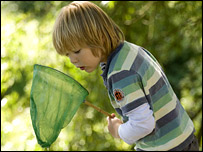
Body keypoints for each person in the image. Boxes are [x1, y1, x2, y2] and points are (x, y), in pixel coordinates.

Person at [52, 1, 199, 151]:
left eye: (76, 51)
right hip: (184, 140)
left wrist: (118, 131)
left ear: (99, 37)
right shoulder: (130, 52)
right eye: (67, 54)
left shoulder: (120, 73)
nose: (73, 60)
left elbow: (143, 125)